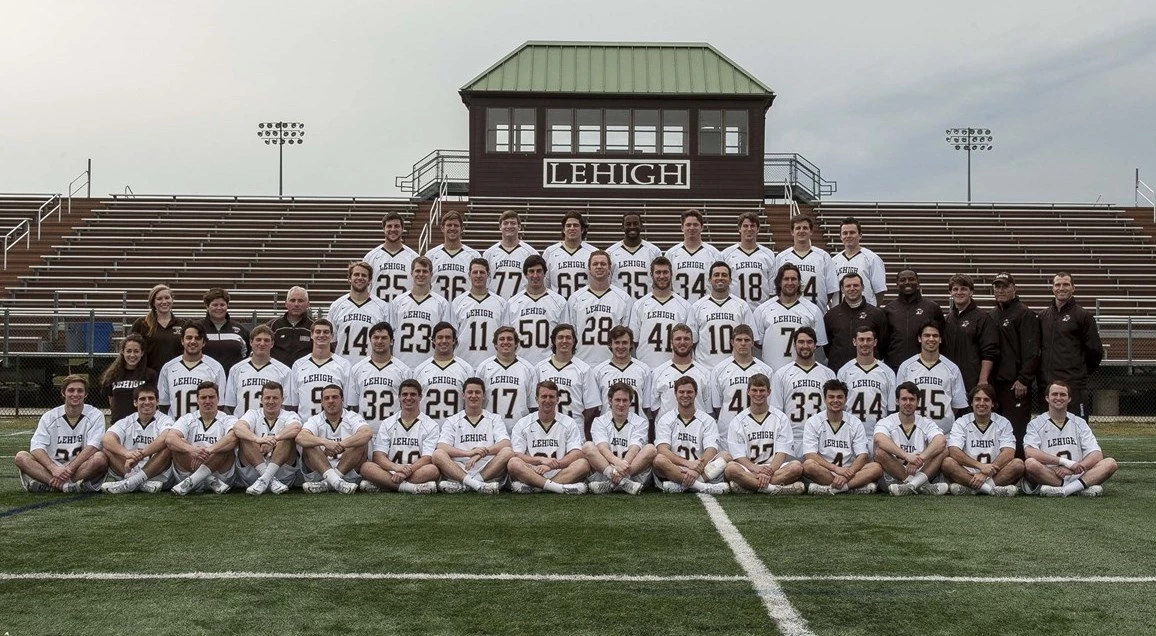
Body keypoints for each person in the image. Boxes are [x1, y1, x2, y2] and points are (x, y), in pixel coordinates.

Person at [1023, 380, 1117, 497]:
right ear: (1047, 398)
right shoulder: (1036, 424)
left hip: (1079, 473)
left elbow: (1096, 454)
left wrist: (1073, 469)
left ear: (1069, 399)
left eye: (1063, 395)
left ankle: (1065, 490)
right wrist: (1066, 463)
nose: (1058, 397)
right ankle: (1079, 488)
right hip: (1052, 474)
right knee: (1030, 463)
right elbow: (1030, 452)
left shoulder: (1079, 423)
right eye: (1054, 394)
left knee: (1110, 463)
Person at [16, 375, 108, 493]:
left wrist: (70, 468)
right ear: (63, 393)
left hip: (79, 467)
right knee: (21, 457)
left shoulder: (96, 415)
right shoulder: (49, 417)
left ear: (86, 394)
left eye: (80, 390)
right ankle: (66, 487)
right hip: (53, 467)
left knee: (100, 458)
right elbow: (36, 447)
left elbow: (93, 447)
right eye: (71, 390)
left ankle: (51, 485)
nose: (75, 394)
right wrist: (53, 468)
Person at [720, 373, 805, 495]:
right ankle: (774, 489)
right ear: (748, 391)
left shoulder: (780, 418)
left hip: (774, 469)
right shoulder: (738, 420)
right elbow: (739, 457)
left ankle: (748, 486)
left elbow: (782, 452)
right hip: (750, 468)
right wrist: (756, 469)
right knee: (730, 469)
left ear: (769, 392)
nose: (758, 394)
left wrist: (768, 471)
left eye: (762, 390)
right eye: (754, 390)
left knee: (797, 467)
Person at [1038, 272, 1103, 419]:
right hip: (1047, 385)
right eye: (1058, 285)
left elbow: (1095, 351)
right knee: (1047, 431)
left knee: (1077, 429)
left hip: (1073, 385)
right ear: (1053, 288)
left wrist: (1079, 372)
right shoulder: (1043, 316)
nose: (1062, 288)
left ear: (1073, 288)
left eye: (1066, 284)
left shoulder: (1083, 316)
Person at [432, 377, 513, 494]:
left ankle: (468, 485)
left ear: (483, 395)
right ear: (463, 395)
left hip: (487, 468)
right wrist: (468, 453)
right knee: (437, 454)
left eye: (477, 392)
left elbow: (505, 443)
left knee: (508, 452)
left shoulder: (494, 418)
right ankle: (476, 485)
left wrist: (481, 452)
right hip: (459, 469)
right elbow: (442, 447)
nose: (473, 395)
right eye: (470, 392)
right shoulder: (452, 420)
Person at [989, 272, 1041, 456]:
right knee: (996, 430)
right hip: (995, 384)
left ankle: (1018, 468)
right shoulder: (992, 314)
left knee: (1016, 430)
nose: (1000, 290)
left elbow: (1032, 351)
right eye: (997, 286)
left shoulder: (1023, 313)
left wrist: (1024, 379)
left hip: (1015, 384)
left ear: (1013, 288)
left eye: (1004, 286)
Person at [507, 381, 591, 494]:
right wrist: (540, 460)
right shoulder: (523, 423)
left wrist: (554, 466)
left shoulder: (569, 422)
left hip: (559, 472)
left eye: (551, 397)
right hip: (532, 471)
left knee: (583, 464)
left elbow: (576, 453)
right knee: (513, 463)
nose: (548, 400)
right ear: (536, 399)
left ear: (557, 399)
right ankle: (558, 488)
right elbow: (517, 454)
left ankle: (536, 488)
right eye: (544, 396)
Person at [359, 379, 440, 494]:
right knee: (366, 467)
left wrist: (406, 471)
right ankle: (410, 488)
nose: (408, 398)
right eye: (405, 394)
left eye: (413, 394)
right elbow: (378, 456)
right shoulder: (388, 423)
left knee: (433, 470)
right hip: (391, 471)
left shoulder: (431, 425)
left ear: (420, 397)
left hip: (416, 471)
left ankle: (385, 486)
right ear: (399, 397)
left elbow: (427, 458)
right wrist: (396, 468)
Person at [801, 379, 882, 494]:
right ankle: (853, 488)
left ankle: (834, 489)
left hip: (849, 472)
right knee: (808, 465)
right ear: (825, 399)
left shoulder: (855, 422)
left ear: (846, 399)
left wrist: (848, 474)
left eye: (839, 397)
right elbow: (810, 455)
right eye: (831, 397)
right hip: (826, 471)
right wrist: (835, 468)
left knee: (876, 468)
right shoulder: (813, 421)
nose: (835, 400)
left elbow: (863, 456)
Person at [942, 384, 1024, 496]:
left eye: (986, 400)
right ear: (971, 402)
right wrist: (980, 467)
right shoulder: (961, 422)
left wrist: (985, 474)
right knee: (947, 463)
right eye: (977, 399)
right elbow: (954, 451)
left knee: (1018, 464)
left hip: (994, 474)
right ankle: (990, 490)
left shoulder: (1003, 422)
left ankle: (972, 489)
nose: (981, 403)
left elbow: (1009, 453)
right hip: (968, 473)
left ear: (993, 404)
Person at [652, 377, 729, 494]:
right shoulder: (666, 419)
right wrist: (688, 464)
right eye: (681, 392)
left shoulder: (707, 420)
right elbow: (662, 449)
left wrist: (697, 469)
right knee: (658, 460)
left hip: (700, 467)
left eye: (689, 392)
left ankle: (683, 486)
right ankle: (702, 487)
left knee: (726, 456)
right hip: (676, 468)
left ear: (696, 394)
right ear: (675, 394)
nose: (685, 395)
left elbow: (711, 450)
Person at [873, 382, 949, 496]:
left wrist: (919, 460)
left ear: (917, 402)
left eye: (912, 399)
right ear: (897, 401)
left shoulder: (925, 422)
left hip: (921, 471)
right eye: (904, 399)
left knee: (944, 450)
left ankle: (911, 486)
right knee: (879, 451)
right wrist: (907, 456)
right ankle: (921, 486)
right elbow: (879, 439)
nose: (908, 403)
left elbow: (940, 440)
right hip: (895, 476)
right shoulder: (887, 421)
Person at [297, 384, 373, 494]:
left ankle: (329, 483)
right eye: (326, 398)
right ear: (322, 402)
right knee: (308, 444)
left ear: (342, 400)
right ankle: (336, 482)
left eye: (335, 397)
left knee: (361, 441)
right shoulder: (315, 419)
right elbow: (300, 437)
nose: (331, 401)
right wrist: (326, 442)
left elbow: (367, 433)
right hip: (320, 472)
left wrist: (340, 445)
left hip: (348, 472)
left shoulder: (352, 417)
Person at [100, 384, 175, 494]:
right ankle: (136, 482)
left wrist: (141, 454)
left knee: (169, 445)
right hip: (130, 470)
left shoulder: (165, 420)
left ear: (157, 401)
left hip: (156, 474)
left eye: (151, 398)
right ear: (135, 402)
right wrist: (126, 454)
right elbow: (107, 439)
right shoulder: (127, 420)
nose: (147, 402)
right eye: (142, 399)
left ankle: (131, 482)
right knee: (107, 448)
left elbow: (165, 437)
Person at [166, 381, 239, 495]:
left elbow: (233, 438)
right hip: (190, 471)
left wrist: (209, 450)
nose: (207, 401)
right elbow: (170, 439)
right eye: (203, 397)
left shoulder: (228, 419)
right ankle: (207, 479)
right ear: (197, 400)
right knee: (179, 443)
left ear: (218, 399)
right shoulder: (188, 418)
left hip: (220, 476)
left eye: (211, 397)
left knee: (225, 444)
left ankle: (198, 479)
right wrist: (193, 450)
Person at [233, 381, 304, 496]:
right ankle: (269, 479)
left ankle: (265, 478)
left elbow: (295, 427)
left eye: (275, 398)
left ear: (282, 399)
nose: (271, 401)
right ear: (261, 399)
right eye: (267, 398)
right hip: (254, 477)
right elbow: (238, 427)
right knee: (245, 437)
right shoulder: (253, 413)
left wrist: (274, 440)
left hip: (282, 476)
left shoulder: (289, 415)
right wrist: (258, 440)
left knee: (287, 437)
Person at [895, 323, 968, 434]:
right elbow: (900, 401)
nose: (931, 339)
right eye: (927, 335)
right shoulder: (906, 367)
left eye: (935, 336)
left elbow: (956, 405)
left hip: (944, 433)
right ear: (920, 338)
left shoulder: (952, 368)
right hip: (913, 432)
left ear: (940, 339)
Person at [582, 383, 654, 495]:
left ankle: (613, 483)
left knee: (651, 449)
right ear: (610, 401)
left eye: (625, 400)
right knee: (588, 446)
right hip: (606, 473)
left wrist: (623, 464)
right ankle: (622, 482)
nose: (621, 404)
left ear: (630, 402)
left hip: (632, 476)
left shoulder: (641, 422)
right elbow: (602, 448)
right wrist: (616, 463)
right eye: (617, 400)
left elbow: (634, 448)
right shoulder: (599, 421)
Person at [771, 327, 836, 448]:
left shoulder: (829, 374)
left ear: (815, 345)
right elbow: (776, 411)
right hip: (792, 438)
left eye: (809, 342)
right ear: (794, 345)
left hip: (821, 437)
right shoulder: (781, 374)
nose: (805, 345)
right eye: (801, 342)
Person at [754, 264, 827, 371]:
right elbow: (757, 347)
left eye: (793, 279)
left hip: (801, 375)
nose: (790, 282)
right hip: (771, 374)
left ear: (799, 282)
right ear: (779, 282)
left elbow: (819, 348)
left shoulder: (813, 310)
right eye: (786, 279)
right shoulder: (762, 310)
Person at [347, 321, 413, 437]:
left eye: (384, 338)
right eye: (376, 337)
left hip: (393, 432)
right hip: (365, 433)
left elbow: (408, 405)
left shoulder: (403, 370)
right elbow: (353, 405)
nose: (379, 341)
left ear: (392, 341)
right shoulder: (357, 369)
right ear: (370, 340)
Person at [503, 254, 571, 365]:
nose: (535, 275)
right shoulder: (512, 303)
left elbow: (566, 336)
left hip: (550, 364)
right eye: (531, 271)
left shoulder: (559, 302)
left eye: (539, 271)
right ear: (526, 274)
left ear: (545, 273)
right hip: (520, 363)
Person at [569, 250, 634, 366]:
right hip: (582, 362)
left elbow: (626, 337)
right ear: (589, 268)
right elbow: (570, 334)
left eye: (603, 264)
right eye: (595, 264)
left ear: (610, 269)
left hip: (613, 364)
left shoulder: (624, 299)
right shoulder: (575, 298)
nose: (599, 267)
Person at [629, 256, 692, 371]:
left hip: (674, 369)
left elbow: (688, 342)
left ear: (671, 274)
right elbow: (634, 342)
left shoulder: (685, 306)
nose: (662, 276)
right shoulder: (639, 305)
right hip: (645, 368)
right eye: (658, 272)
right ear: (651, 275)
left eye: (665, 272)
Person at [687, 261, 754, 369]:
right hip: (705, 368)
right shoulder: (697, 307)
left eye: (724, 275)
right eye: (716, 275)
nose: (720, 278)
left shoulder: (741, 306)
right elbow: (691, 342)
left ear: (730, 280)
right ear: (709, 280)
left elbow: (750, 341)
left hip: (733, 369)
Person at [388, 256, 452, 370]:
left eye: (425, 271)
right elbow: (390, 335)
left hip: (430, 365)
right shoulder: (398, 302)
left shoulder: (441, 303)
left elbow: (446, 336)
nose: (421, 274)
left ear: (431, 274)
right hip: (401, 363)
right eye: (418, 271)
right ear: (411, 273)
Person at [710, 325, 773, 439]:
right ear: (732, 342)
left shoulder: (765, 370)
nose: (743, 343)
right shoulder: (719, 369)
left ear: (753, 343)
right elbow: (717, 406)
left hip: (756, 431)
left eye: (747, 340)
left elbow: (769, 403)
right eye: (739, 340)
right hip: (727, 432)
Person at [835, 325, 897, 438]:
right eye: (861, 339)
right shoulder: (844, 372)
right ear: (854, 341)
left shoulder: (888, 373)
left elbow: (891, 410)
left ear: (875, 342)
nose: (865, 343)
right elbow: (839, 407)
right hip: (851, 434)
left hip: (880, 435)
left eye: (869, 340)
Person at [475, 326, 539, 433]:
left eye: (509, 339)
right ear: (495, 344)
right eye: (501, 339)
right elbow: (476, 402)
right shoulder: (484, 368)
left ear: (516, 344)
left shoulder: (528, 369)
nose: (506, 342)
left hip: (520, 430)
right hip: (490, 430)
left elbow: (533, 406)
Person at [535, 323, 602, 428]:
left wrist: (577, 422)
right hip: (546, 428)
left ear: (574, 341)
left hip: (574, 429)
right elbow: (535, 403)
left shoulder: (584, 369)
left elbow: (591, 406)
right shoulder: (540, 368)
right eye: (560, 337)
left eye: (568, 338)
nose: (564, 341)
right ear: (554, 341)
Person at [157, 323, 227, 421]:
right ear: (182, 341)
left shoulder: (216, 368)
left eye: (197, 338)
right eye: (189, 338)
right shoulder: (168, 368)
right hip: (174, 428)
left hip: (203, 430)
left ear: (204, 342)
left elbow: (219, 405)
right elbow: (163, 404)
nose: (193, 341)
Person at [942, 274, 999, 394]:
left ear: (971, 292)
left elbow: (989, 352)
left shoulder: (982, 318)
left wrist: (983, 380)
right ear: (950, 292)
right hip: (950, 381)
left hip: (972, 382)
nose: (959, 292)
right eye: (955, 289)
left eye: (963, 289)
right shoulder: (948, 319)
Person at [327, 261, 390, 367]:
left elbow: (387, 340)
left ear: (370, 280)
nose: (360, 278)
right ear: (349, 278)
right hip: (342, 366)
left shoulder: (382, 307)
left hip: (371, 366)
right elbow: (331, 341)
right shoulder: (336, 306)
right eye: (356, 274)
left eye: (364, 275)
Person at [285, 319, 350, 419]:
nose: (322, 335)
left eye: (326, 332)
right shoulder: (298, 365)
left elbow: (347, 402)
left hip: (334, 426)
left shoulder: (344, 364)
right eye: (318, 332)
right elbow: (293, 403)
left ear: (332, 336)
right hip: (305, 426)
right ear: (311, 335)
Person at [824, 272, 889, 372]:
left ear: (862, 287)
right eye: (848, 286)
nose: (852, 289)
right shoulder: (831, 315)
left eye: (856, 285)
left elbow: (883, 344)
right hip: (838, 369)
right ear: (842, 289)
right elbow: (827, 346)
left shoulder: (876, 314)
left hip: (868, 372)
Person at [650, 323, 715, 422]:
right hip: (667, 432)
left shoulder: (704, 373)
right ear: (671, 342)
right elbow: (654, 408)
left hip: (696, 432)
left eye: (686, 339)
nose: (682, 342)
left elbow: (708, 409)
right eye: (678, 339)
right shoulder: (658, 372)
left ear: (692, 342)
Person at [222, 325, 291, 416]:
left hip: (272, 426)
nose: (262, 344)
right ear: (251, 342)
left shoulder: (284, 371)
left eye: (266, 340)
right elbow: (231, 404)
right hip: (242, 425)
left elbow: (287, 404)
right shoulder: (236, 369)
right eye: (258, 340)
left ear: (272, 343)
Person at [451, 257, 507, 368]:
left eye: (482, 272)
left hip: (493, 363)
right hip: (464, 362)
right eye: (475, 272)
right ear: (469, 274)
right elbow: (452, 336)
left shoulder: (500, 303)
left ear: (488, 275)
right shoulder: (458, 302)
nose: (478, 275)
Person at [412, 322, 475, 421]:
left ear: (454, 341)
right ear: (433, 340)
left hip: (455, 430)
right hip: (427, 431)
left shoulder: (466, 369)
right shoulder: (420, 370)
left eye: (448, 337)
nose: (444, 341)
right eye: (440, 337)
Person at [883, 269, 945, 369]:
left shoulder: (932, 307)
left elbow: (942, 336)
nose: (907, 282)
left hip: (924, 365)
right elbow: (883, 340)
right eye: (903, 280)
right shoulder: (889, 309)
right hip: (895, 365)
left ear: (918, 282)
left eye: (911, 279)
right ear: (897, 284)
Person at [771, 214, 837, 308]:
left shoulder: (824, 257)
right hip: (789, 312)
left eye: (805, 228)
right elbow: (776, 288)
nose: (801, 231)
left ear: (811, 232)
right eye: (798, 228)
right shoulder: (781, 257)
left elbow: (831, 289)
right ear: (792, 232)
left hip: (816, 312)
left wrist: (818, 306)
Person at [592, 326, 653, 425]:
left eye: (624, 342)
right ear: (610, 344)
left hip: (637, 429)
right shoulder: (599, 371)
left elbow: (646, 406)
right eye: (617, 342)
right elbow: (597, 408)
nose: (621, 346)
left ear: (631, 345)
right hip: (608, 429)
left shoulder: (643, 369)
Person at [665, 209, 722, 303]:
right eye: (688, 224)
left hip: (706, 307)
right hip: (678, 307)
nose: (692, 228)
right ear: (682, 227)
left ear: (702, 227)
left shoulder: (714, 254)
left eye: (695, 224)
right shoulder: (671, 254)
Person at [721, 211, 776, 307]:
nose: (749, 229)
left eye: (752, 226)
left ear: (758, 229)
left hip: (760, 309)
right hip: (735, 309)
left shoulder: (768, 255)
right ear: (739, 229)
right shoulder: (726, 254)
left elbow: (772, 289)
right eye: (745, 226)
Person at [100, 333, 158, 423]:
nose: (132, 355)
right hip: (118, 425)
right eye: (129, 351)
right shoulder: (112, 375)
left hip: (142, 425)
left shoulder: (150, 375)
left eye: (136, 351)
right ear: (122, 352)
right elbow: (111, 401)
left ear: (142, 353)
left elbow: (153, 401)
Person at [363, 211, 418, 303]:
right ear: (383, 228)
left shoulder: (414, 257)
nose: (393, 229)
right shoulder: (370, 257)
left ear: (402, 228)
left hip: (404, 311)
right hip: (378, 311)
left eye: (396, 226)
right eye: (389, 226)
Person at [831, 217, 887, 306]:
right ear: (840, 237)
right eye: (845, 233)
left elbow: (880, 291)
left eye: (852, 232)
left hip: (864, 313)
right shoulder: (833, 261)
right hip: (840, 314)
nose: (848, 236)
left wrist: (871, 309)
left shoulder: (872, 259)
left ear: (860, 235)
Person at [130, 283, 185, 374]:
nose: (164, 302)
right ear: (153, 302)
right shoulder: (142, 323)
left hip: (176, 375)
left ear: (172, 300)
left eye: (167, 298)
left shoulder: (183, 324)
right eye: (159, 299)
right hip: (148, 376)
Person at [483, 210, 538, 299]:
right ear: (500, 227)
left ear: (519, 226)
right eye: (505, 223)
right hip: (496, 304)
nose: (509, 226)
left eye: (513, 223)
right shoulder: (489, 253)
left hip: (522, 305)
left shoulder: (531, 253)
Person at [427, 210, 480, 302]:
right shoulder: (431, 255)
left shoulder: (474, 256)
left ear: (462, 229)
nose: (452, 228)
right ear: (442, 228)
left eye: (456, 225)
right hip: (438, 308)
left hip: (464, 308)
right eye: (449, 225)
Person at [606, 212, 662, 300]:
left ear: (641, 226)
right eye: (628, 224)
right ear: (622, 227)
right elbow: (606, 284)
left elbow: (660, 283)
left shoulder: (654, 252)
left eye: (635, 223)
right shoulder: (610, 253)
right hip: (619, 306)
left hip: (646, 306)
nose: (632, 227)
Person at [542, 210, 597, 297]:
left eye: (576, 225)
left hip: (584, 306)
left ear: (582, 229)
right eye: (568, 225)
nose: (572, 228)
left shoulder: (593, 253)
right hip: (558, 307)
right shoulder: (550, 252)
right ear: (563, 229)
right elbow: (545, 285)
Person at [199, 288, 250, 374]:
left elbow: (247, 355)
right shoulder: (198, 328)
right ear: (207, 306)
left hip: (232, 379)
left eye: (222, 305)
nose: (219, 308)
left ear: (227, 305)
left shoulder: (241, 330)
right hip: (204, 379)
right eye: (215, 305)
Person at [267, 286, 313, 367]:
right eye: (292, 300)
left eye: (300, 301)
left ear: (308, 304)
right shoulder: (272, 326)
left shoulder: (315, 326)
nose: (296, 304)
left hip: (305, 374)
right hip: (278, 374)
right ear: (286, 303)